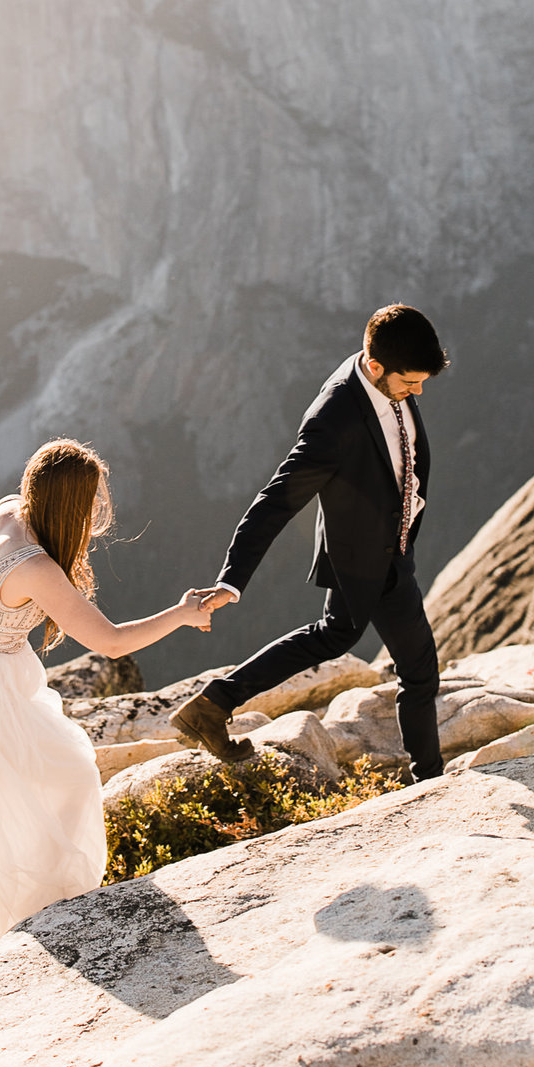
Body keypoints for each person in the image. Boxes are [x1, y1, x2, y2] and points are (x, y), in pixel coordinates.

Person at [0, 440, 229, 981]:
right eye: (92, 500)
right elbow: (111, 642)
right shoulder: (34, 567)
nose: (99, 510)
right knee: (58, 779)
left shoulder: (7, 510)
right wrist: (183, 613)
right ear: (68, 504)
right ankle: (36, 914)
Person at [172, 303, 447, 780]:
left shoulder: (386, 370)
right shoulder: (333, 421)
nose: (417, 393)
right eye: (409, 383)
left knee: (418, 669)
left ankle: (430, 777)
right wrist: (231, 581)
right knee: (339, 636)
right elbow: (275, 501)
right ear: (375, 365)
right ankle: (214, 703)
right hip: (360, 556)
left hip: (393, 549)